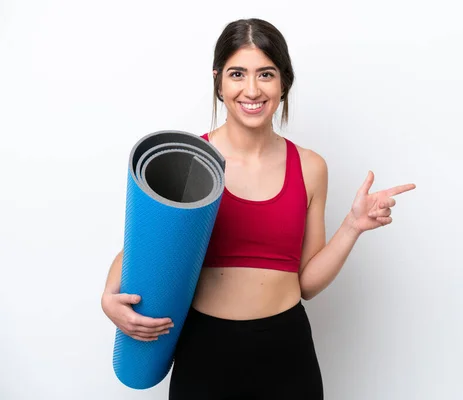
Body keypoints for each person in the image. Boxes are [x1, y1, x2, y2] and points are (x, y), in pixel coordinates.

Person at [101, 18, 416, 399]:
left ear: (284, 82)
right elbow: (144, 250)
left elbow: (307, 284)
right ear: (219, 81)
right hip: (204, 350)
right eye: (237, 74)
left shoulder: (311, 167)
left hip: (285, 351)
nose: (251, 89)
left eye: (265, 74)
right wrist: (108, 298)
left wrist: (352, 225)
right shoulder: (191, 161)